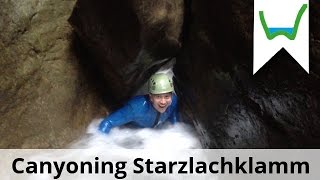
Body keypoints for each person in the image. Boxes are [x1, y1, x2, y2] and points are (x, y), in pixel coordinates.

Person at [99, 73, 179, 134]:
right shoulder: (137, 108)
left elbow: (174, 120)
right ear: (151, 97)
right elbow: (107, 123)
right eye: (158, 97)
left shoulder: (173, 101)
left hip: (152, 136)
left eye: (166, 96)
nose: (163, 102)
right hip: (129, 134)